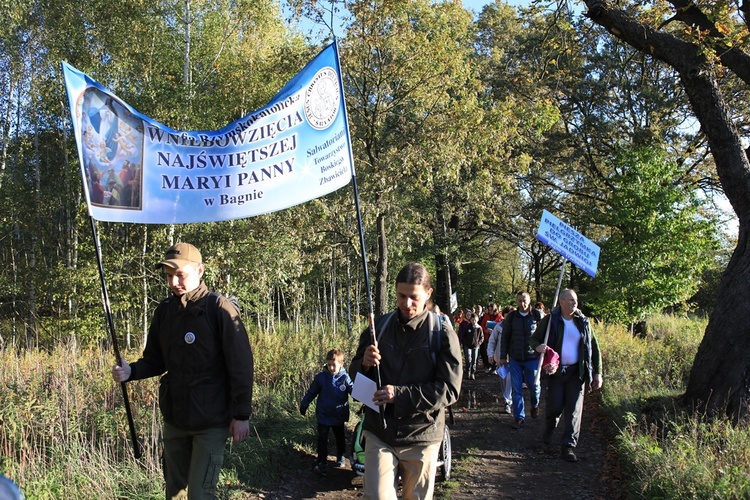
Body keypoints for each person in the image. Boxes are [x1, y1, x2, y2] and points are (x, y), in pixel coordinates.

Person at [111, 242, 254, 499]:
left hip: (211, 421)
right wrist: (130, 371)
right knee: (174, 494)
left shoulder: (219, 308)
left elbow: (241, 365)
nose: (174, 281)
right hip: (175, 418)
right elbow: (155, 360)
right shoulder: (165, 312)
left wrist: (241, 414)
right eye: (169, 276)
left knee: (200, 494)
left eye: (180, 274)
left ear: (200, 271)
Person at [349, 263, 462, 500]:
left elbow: (449, 390)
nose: (406, 303)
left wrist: (399, 395)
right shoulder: (377, 327)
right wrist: (364, 364)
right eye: (401, 296)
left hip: (422, 435)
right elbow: (354, 377)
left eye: (414, 297)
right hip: (379, 431)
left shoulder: (441, 333)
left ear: (428, 294)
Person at [531, 289, 603, 463]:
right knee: (554, 407)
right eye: (570, 300)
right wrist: (539, 347)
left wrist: (597, 373)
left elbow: (594, 347)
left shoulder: (583, 323)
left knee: (574, 411)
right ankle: (549, 427)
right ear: (561, 302)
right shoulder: (550, 321)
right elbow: (533, 340)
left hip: (576, 373)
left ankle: (568, 446)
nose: (574, 303)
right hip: (556, 372)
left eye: (575, 300)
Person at [300, 348, 353, 476]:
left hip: (338, 415)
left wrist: (364, 398)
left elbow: (354, 390)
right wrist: (304, 404)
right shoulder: (321, 378)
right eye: (328, 365)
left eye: (333, 365)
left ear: (341, 364)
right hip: (323, 414)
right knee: (322, 439)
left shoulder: (345, 378)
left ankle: (340, 455)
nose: (331, 368)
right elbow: (311, 392)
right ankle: (321, 462)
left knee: (340, 437)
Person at [499, 291, 543, 430]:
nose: (522, 303)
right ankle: (519, 417)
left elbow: (544, 334)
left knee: (534, 386)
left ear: (529, 300)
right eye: (519, 301)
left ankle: (535, 405)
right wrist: (502, 356)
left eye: (524, 300)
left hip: (532, 358)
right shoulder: (511, 317)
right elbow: (505, 337)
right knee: (516, 388)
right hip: (515, 358)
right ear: (516, 302)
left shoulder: (536, 316)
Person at [487, 305, 515, 414]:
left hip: (513, 358)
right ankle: (506, 398)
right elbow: (492, 341)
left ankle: (509, 401)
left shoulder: (517, 328)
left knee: (510, 379)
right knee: (503, 379)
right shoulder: (498, 328)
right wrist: (490, 355)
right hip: (500, 358)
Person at [480, 303, 502, 372]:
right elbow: (482, 325)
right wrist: (485, 330)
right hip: (487, 336)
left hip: (496, 336)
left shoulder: (499, 316)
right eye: (489, 310)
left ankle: (494, 367)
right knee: (487, 350)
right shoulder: (486, 315)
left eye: (491, 310)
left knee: (496, 351)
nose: (490, 311)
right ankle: (488, 365)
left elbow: (500, 325)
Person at [461, 313, 484, 380]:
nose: (474, 321)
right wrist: (465, 342)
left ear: (477, 320)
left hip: (475, 346)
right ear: (470, 320)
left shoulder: (479, 328)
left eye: (475, 320)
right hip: (468, 345)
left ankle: (472, 372)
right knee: (468, 358)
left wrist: (478, 344)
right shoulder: (468, 327)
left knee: (474, 360)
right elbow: (463, 336)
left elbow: (482, 338)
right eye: (472, 320)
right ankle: (468, 371)